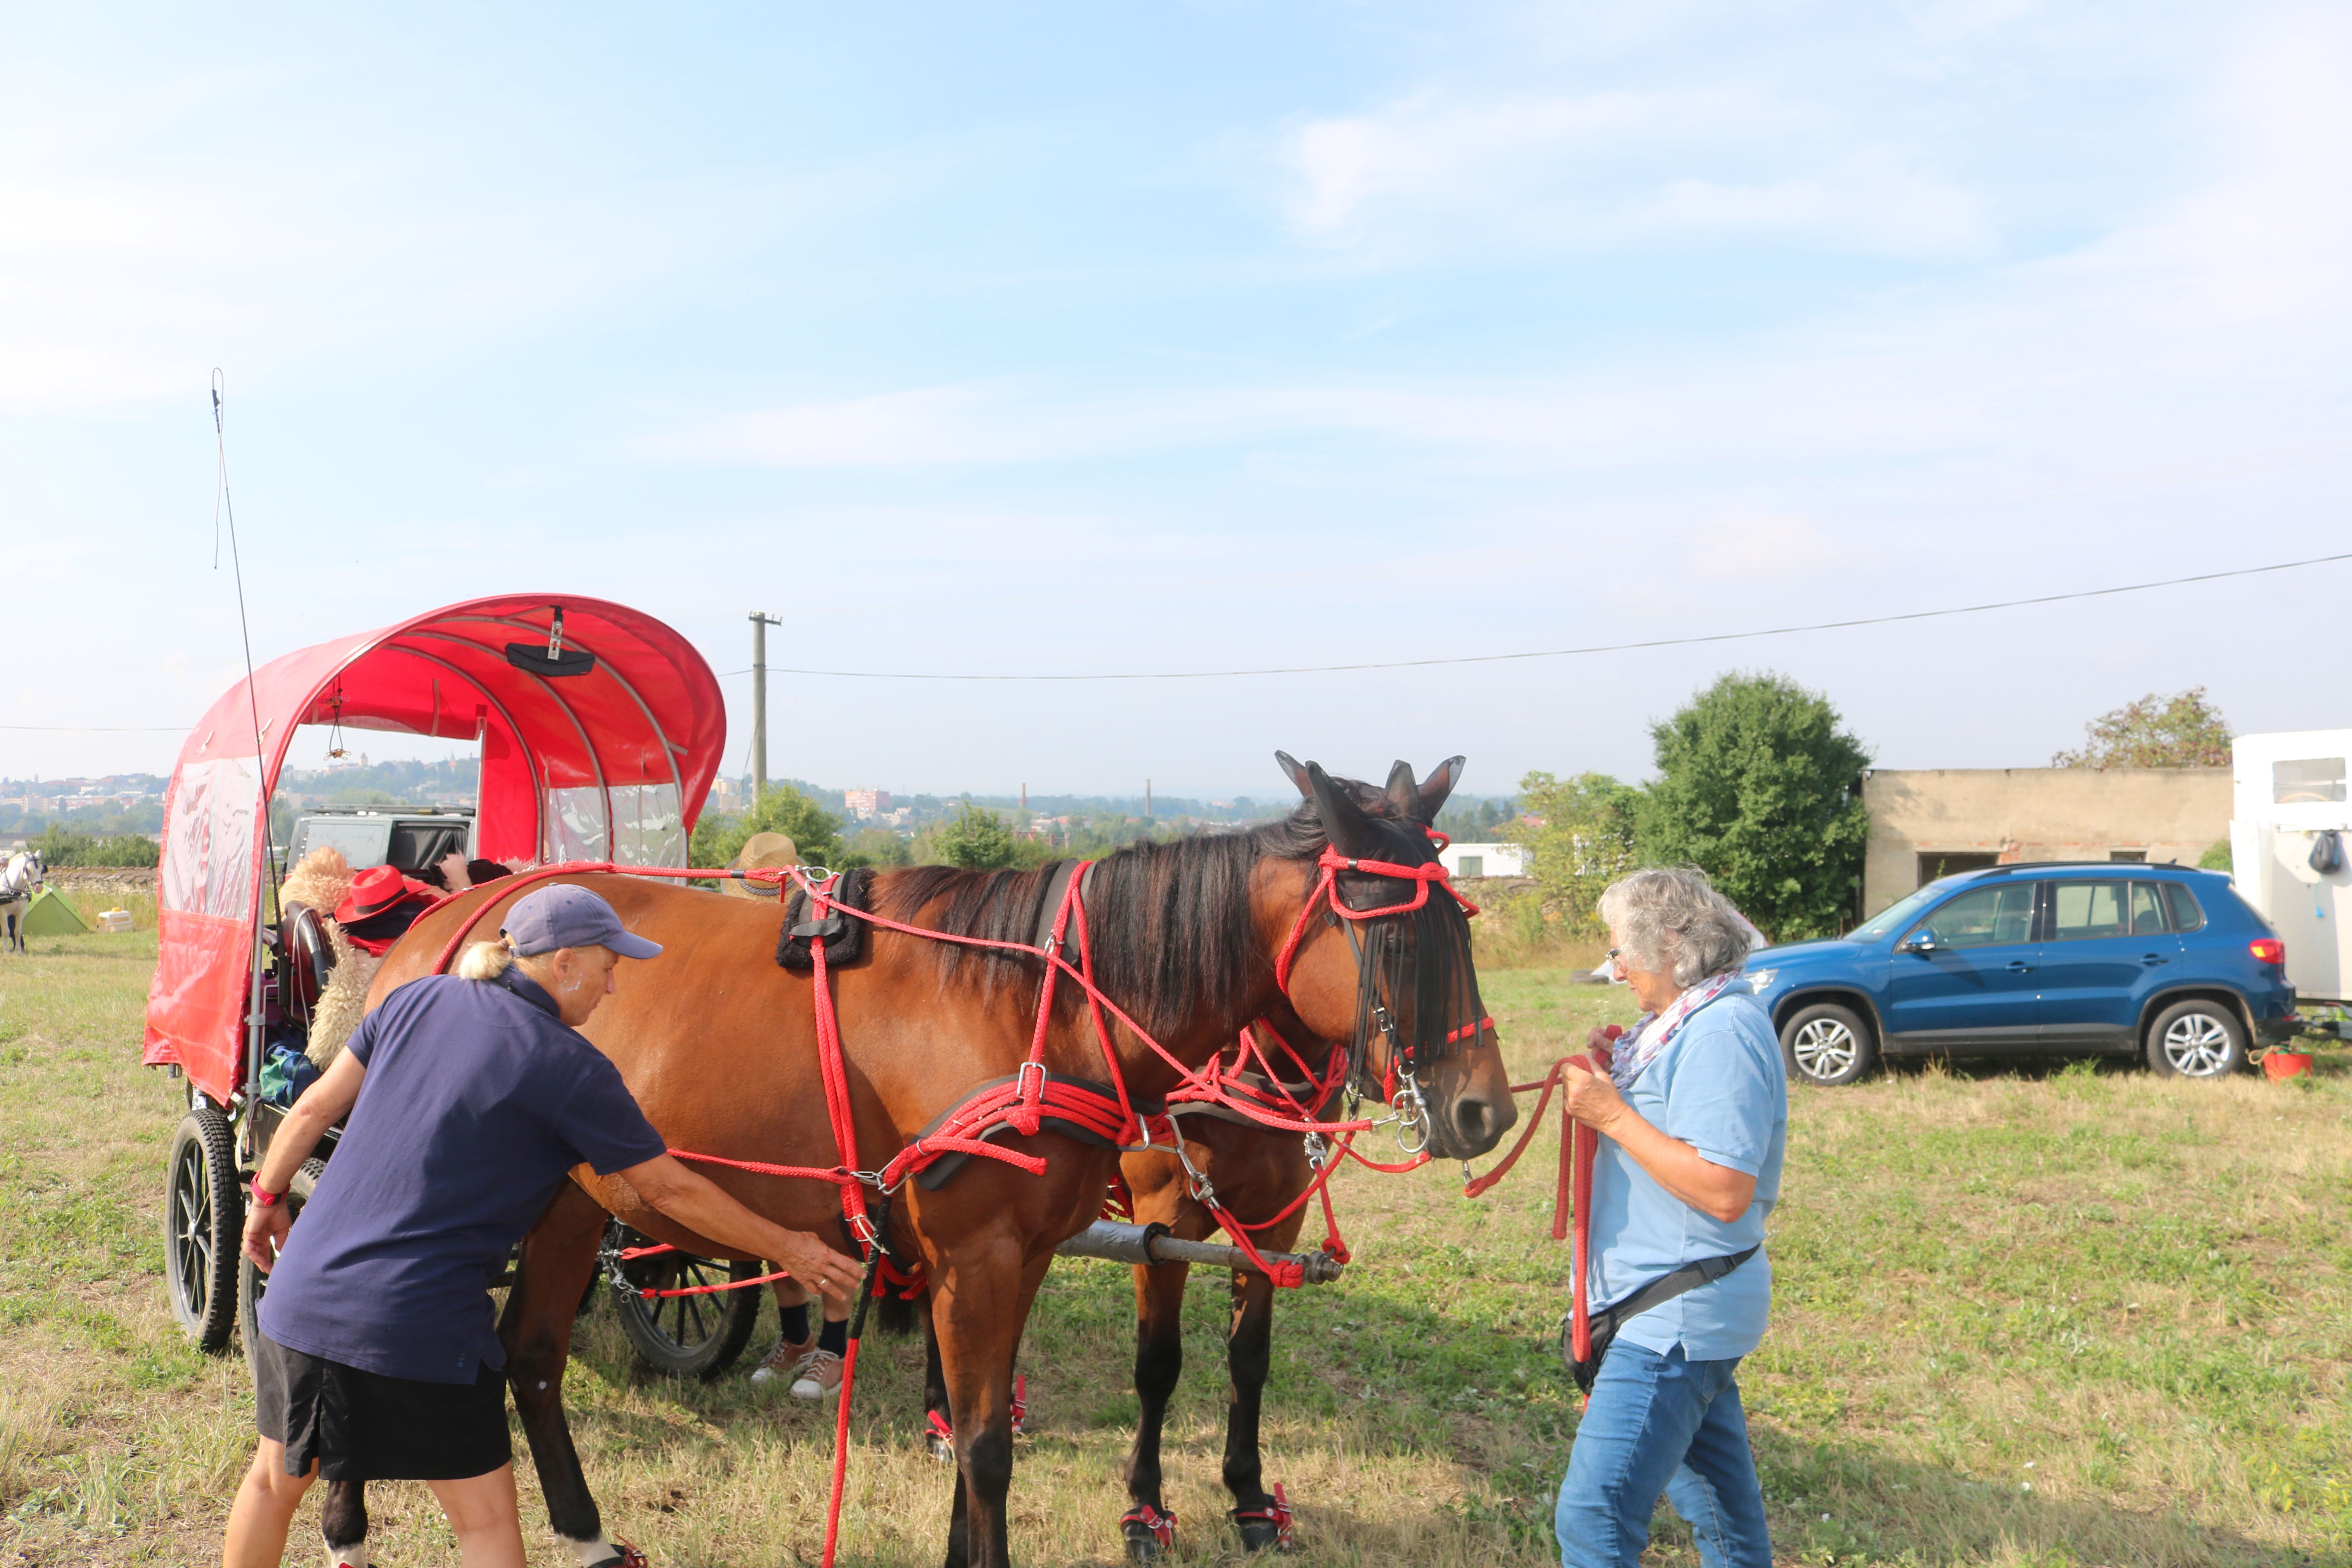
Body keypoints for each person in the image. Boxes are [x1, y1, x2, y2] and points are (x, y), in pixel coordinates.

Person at [226, 884, 864, 1568]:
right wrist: (790, 1247)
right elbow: (669, 1189)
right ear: (563, 964)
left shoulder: (414, 1000)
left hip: (301, 1298)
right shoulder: (574, 1068)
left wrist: (264, 1199)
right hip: (421, 1321)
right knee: (486, 1525)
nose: (615, 987)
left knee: (272, 1484)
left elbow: (312, 1109)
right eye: (609, 966)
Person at [1555, 867, 1786, 1568]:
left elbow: (1723, 1190)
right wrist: (1618, 1073)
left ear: (1670, 941)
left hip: (1675, 1321)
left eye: (1623, 950)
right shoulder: (1687, 1022)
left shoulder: (1722, 1032)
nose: (1616, 968)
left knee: (1593, 1516)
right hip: (1677, 1306)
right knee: (1722, 1512)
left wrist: (1614, 1114)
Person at [717, 831, 853, 1398]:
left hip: (811, 1078)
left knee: (826, 1213)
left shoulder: (817, 929)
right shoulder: (739, 938)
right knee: (767, 1208)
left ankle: (836, 1349)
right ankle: (797, 1337)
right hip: (758, 1075)